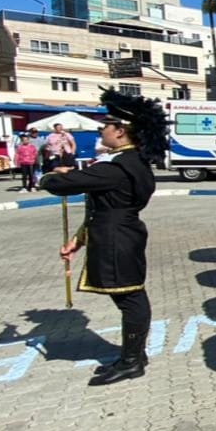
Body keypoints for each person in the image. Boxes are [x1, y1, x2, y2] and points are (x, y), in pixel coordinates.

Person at [39, 88, 168, 386]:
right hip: (117, 233)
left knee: (130, 297)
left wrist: (49, 173)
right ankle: (134, 354)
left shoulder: (118, 167)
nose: (102, 131)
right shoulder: (129, 162)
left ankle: (132, 361)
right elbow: (103, 207)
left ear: (120, 132)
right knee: (128, 296)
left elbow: (61, 184)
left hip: (116, 238)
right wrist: (78, 239)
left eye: (105, 126)